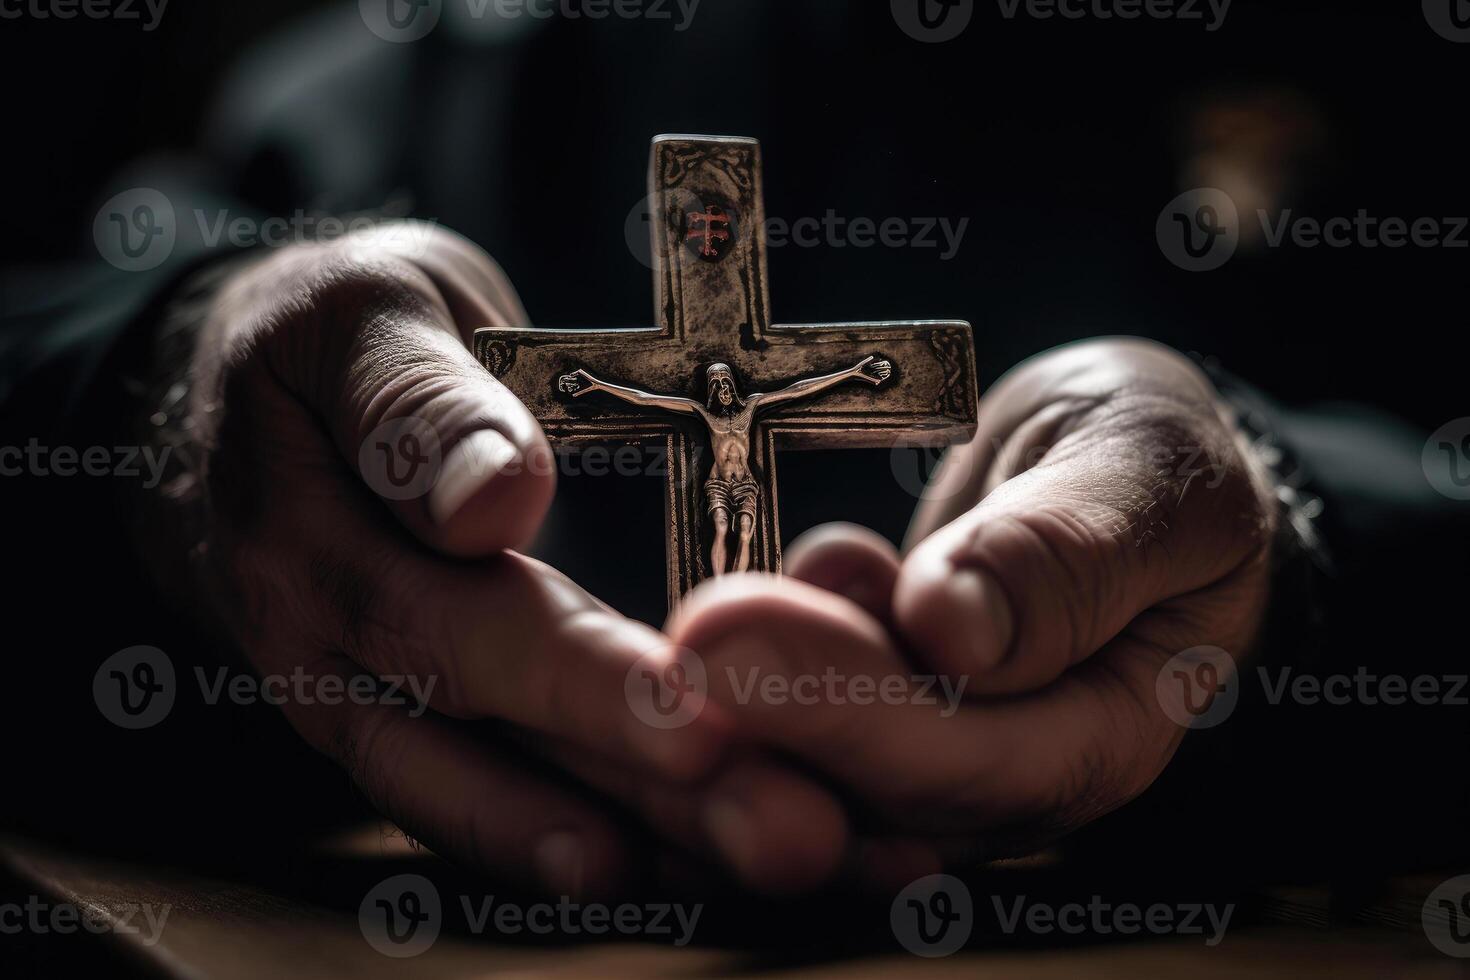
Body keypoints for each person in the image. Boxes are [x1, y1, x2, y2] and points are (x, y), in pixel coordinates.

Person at [2, 2, 1465, 903]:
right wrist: (181, 405)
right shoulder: (458, 50)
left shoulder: (1354, 56)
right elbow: (50, 339)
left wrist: (1295, 549)